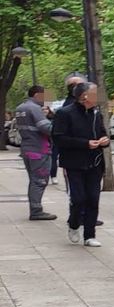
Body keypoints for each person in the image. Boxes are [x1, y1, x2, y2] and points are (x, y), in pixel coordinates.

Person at [54, 83, 110, 248]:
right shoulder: (65, 113)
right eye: (94, 93)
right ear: (84, 96)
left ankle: (90, 235)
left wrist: (104, 140)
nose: (97, 96)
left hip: (95, 162)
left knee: (93, 198)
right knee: (78, 199)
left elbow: (102, 133)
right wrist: (85, 144)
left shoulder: (96, 114)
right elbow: (59, 138)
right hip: (74, 163)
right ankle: (73, 224)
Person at [14, 85, 57, 221]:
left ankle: (35, 209)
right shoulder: (34, 108)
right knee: (39, 181)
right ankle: (36, 211)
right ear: (37, 95)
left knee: (34, 180)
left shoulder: (20, 108)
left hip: (27, 148)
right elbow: (46, 127)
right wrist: (59, 127)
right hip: (39, 149)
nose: (46, 100)